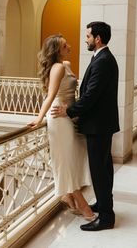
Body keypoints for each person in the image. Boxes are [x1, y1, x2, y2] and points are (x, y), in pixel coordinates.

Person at [51, 21, 120, 231]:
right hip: (100, 124)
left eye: (88, 36)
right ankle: (103, 203)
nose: (86, 39)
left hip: (98, 126)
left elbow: (91, 96)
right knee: (104, 168)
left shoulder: (102, 61)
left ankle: (106, 217)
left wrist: (69, 111)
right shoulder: (102, 58)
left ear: (97, 39)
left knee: (100, 170)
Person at [29, 34, 95, 221]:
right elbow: (50, 96)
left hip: (69, 115)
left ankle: (67, 196)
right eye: (65, 45)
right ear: (56, 50)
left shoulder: (64, 64)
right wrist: (39, 118)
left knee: (73, 158)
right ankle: (83, 206)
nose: (70, 46)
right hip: (58, 116)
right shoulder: (57, 68)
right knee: (65, 162)